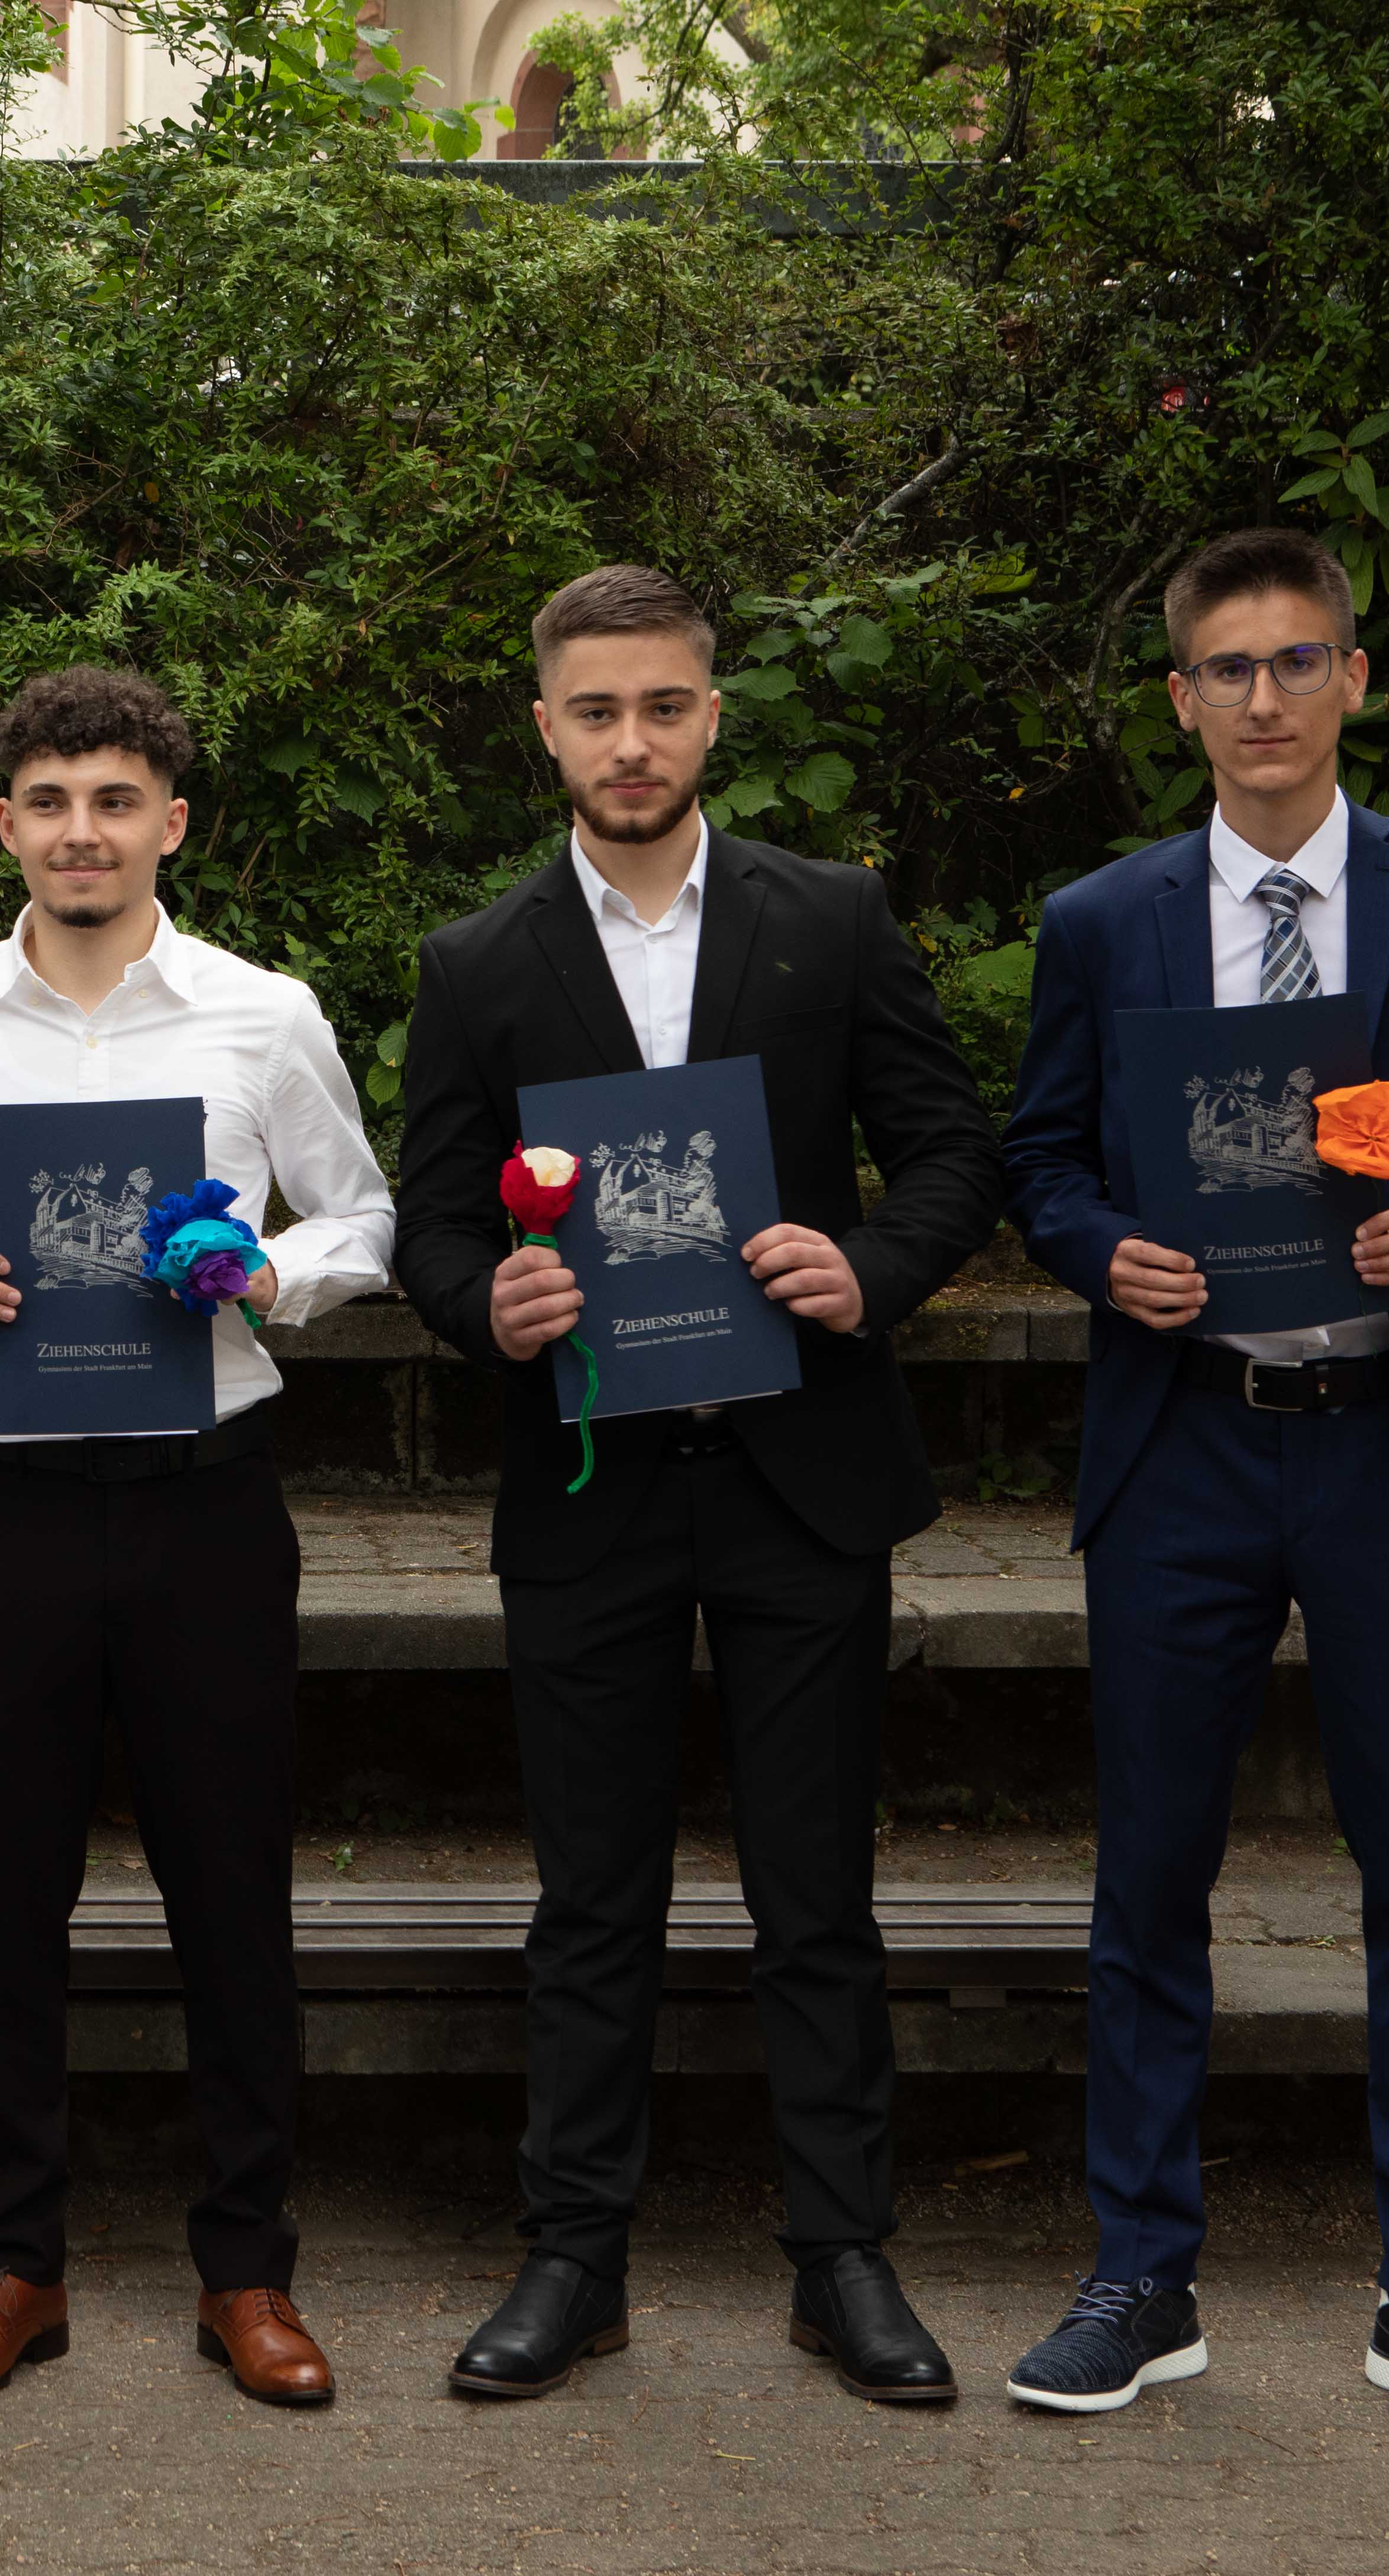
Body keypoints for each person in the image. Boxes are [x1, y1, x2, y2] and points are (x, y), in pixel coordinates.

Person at [996, 528, 1389, 2439]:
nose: (1262, 697)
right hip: (1183, 1442)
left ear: (1353, 678)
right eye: (1227, 668)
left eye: (1295, 661)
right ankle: (1139, 2272)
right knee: (1148, 1876)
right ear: (1179, 699)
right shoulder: (1100, 918)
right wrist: (1100, 1251)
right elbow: (1041, 1163)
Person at [395, 563, 1004, 2409]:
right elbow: (433, 1224)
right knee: (590, 1895)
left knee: (816, 1891)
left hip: (797, 1472)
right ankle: (572, 2256)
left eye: (663, 705)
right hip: (588, 1476)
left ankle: (842, 2258)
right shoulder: (477, 962)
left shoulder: (828, 916)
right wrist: (485, 1304)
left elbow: (950, 1150)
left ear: (711, 714)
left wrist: (867, 1267)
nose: (632, 740)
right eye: (596, 710)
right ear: (545, 730)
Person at [0, 665, 395, 2409]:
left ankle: (248, 2270)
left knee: (234, 1896)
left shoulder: (262, 1016)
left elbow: (364, 1215)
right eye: (52, 801)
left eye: (116, 800)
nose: (84, 831)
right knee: (5, 1899)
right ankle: (14, 2266)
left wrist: (268, 1270)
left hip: (205, 1502)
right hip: (7, 1510)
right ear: (6, 822)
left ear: (171, 823)